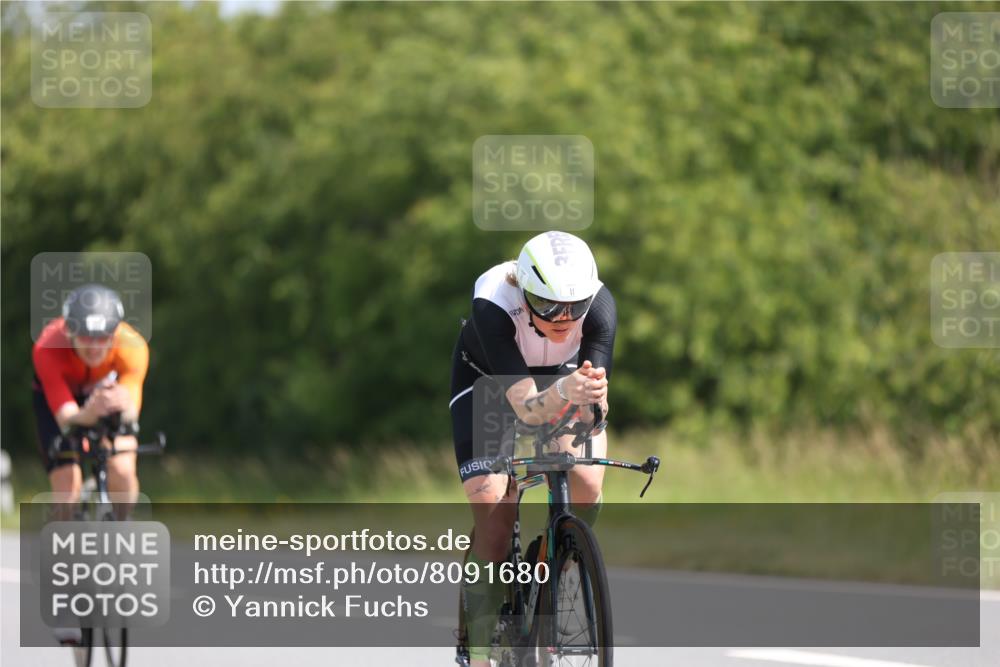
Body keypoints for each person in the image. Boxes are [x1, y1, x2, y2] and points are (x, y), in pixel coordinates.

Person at [450, 231, 616, 665]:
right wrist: (566, 389)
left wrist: (592, 406)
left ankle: (560, 556)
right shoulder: (493, 304)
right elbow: (526, 408)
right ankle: (480, 652)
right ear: (524, 294)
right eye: (547, 306)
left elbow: (597, 409)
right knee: (492, 511)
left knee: (587, 480)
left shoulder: (600, 307)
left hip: (560, 380)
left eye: (573, 307)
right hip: (489, 383)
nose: (563, 318)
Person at [32, 283, 149, 512]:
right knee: (68, 487)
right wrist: (89, 413)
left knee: (122, 470)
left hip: (105, 398)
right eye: (86, 337)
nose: (95, 346)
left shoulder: (132, 346)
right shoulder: (47, 347)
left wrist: (122, 405)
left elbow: (132, 412)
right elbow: (67, 419)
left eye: (102, 337)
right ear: (69, 332)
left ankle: (122, 529)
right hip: (60, 403)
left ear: (114, 334)